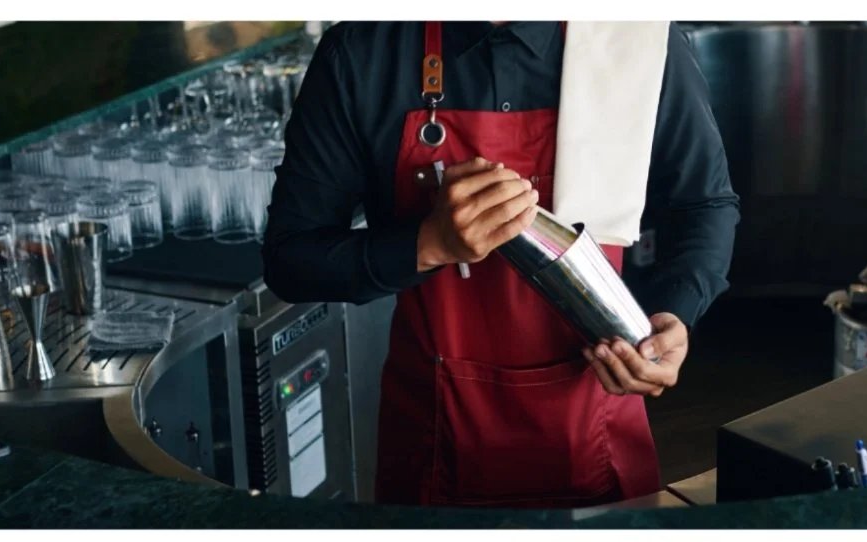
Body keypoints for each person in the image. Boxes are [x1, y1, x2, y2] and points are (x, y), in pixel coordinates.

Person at [263, 21, 739, 508]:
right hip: (433, 437)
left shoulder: (635, 37)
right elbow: (290, 258)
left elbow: (704, 204)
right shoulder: (365, 49)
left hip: (598, 417)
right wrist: (429, 243)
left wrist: (673, 315)